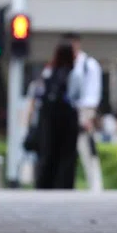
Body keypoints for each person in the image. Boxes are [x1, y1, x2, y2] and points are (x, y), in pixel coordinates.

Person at [34, 42, 80, 189]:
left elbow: (39, 93)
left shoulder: (48, 71)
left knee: (48, 151)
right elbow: (75, 96)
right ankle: (64, 184)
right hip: (67, 118)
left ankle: (44, 183)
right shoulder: (74, 73)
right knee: (67, 154)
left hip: (48, 117)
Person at [61, 32, 104, 191]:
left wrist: (89, 115)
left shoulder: (88, 64)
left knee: (87, 149)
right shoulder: (63, 64)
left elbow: (94, 92)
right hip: (66, 111)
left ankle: (95, 186)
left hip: (84, 111)